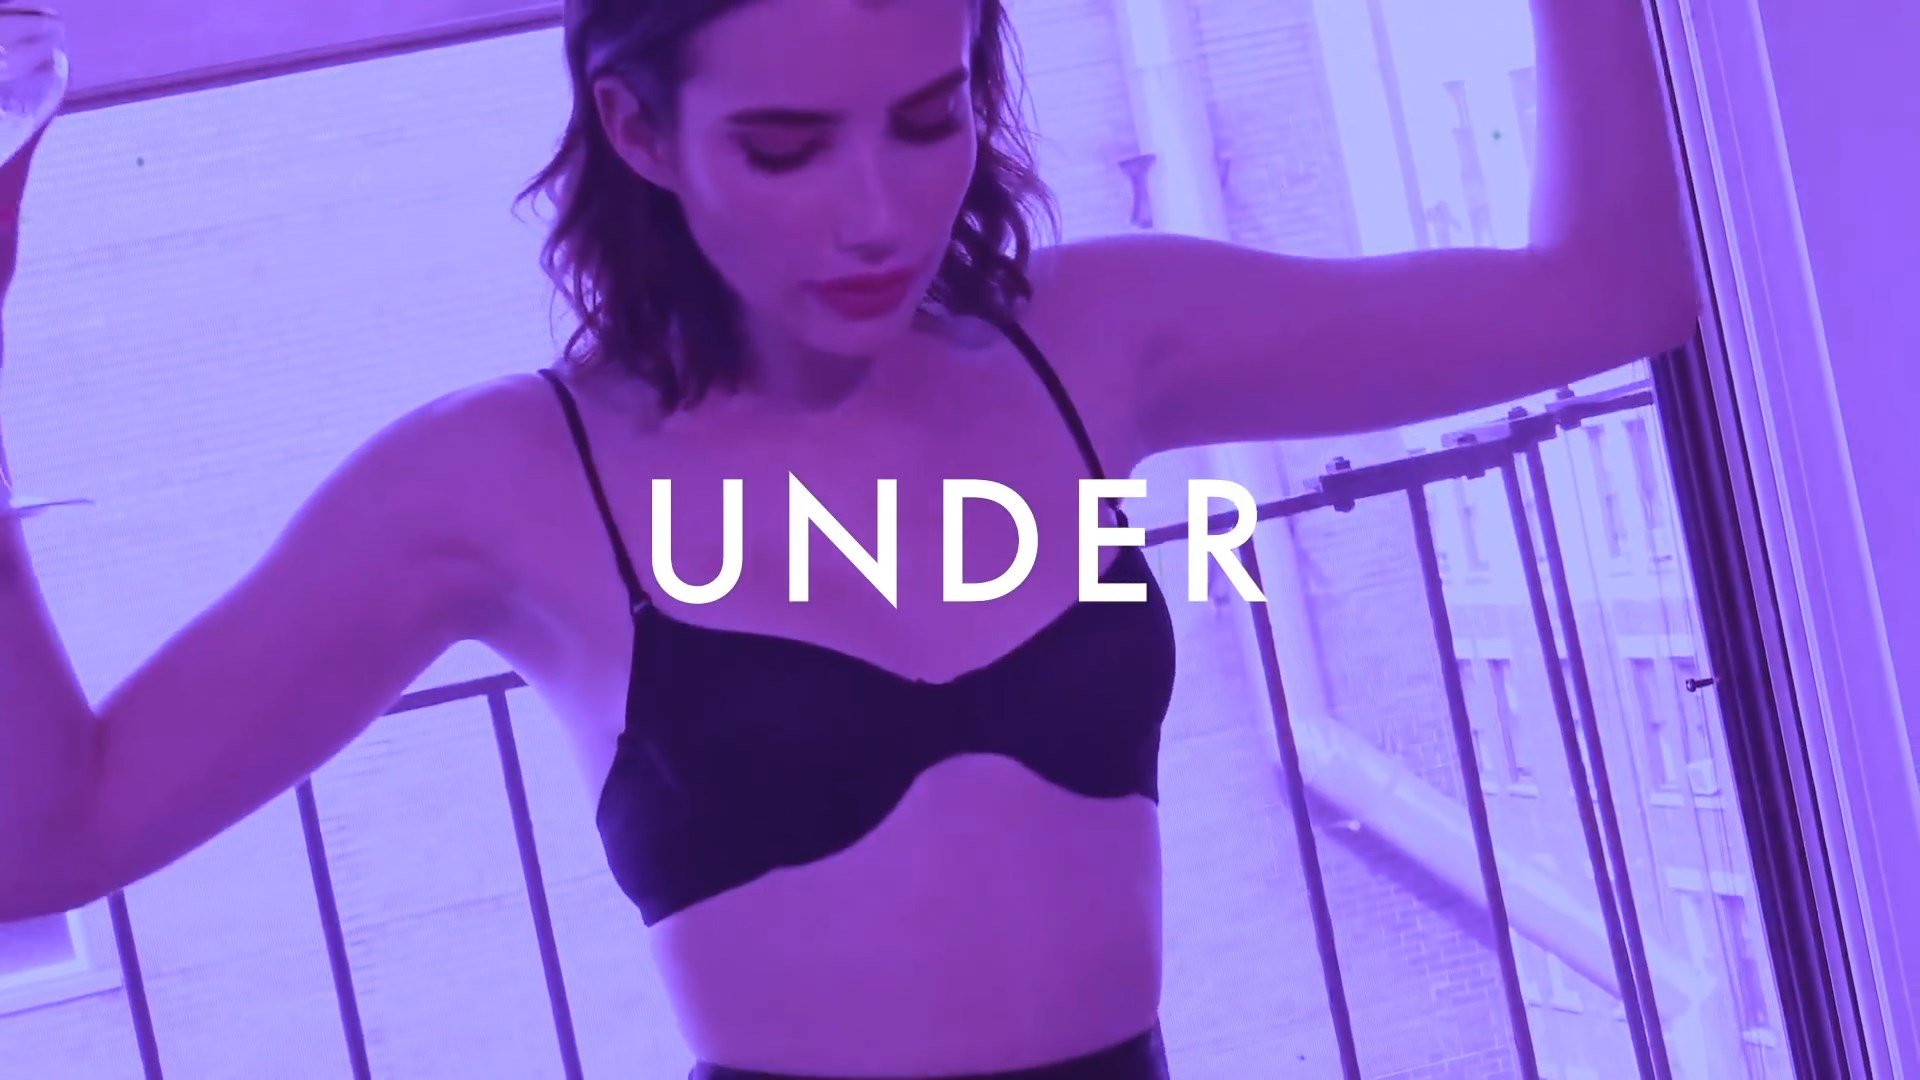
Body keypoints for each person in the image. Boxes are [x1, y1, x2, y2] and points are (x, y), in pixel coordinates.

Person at [0, 1, 1698, 1076]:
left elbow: (1613, 291)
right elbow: (50, 838)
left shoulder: (1103, 338)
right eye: (786, 145)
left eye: (929, 116)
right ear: (640, 132)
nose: (880, 213)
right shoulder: (503, 480)